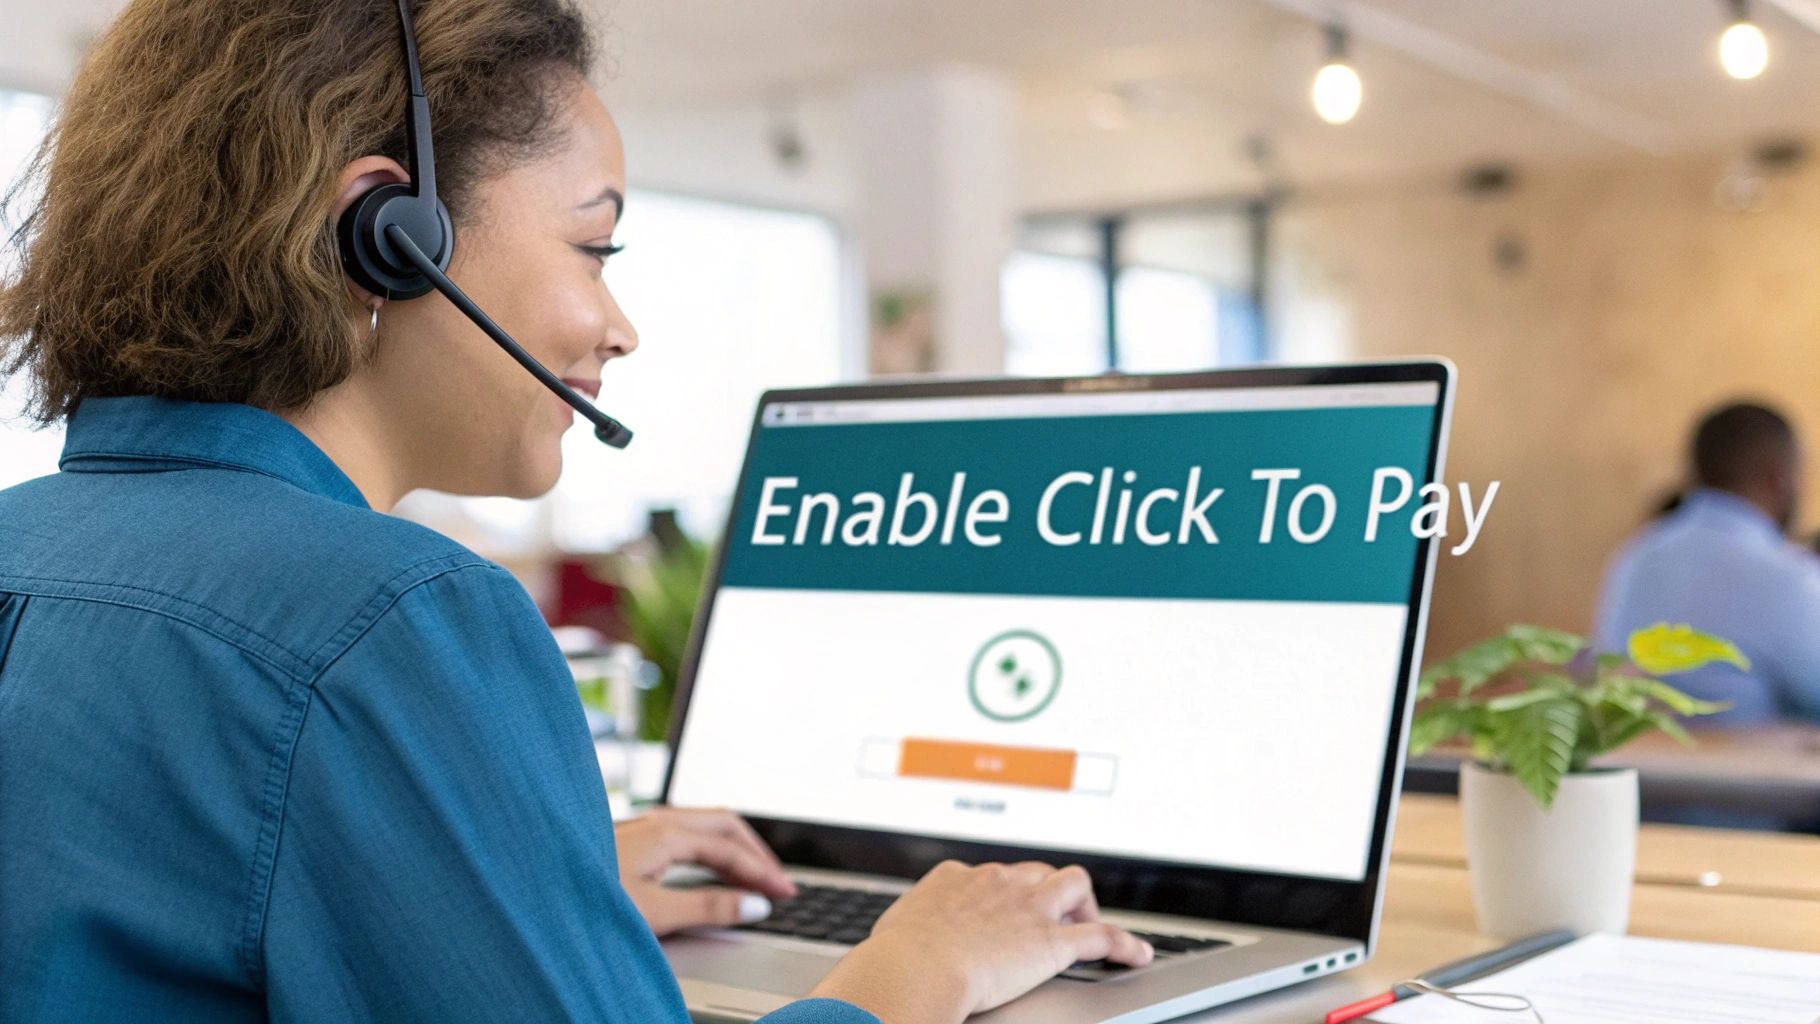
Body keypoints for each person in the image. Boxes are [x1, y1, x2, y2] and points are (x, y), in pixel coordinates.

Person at [0, 1, 1152, 1021]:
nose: (620, 325)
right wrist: (911, 973)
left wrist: (527, 886)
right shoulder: (387, 621)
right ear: (389, 237)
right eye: (591, 247)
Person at [1594, 401, 1820, 725]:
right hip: (1754, 769)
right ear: (1779, 478)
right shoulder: (1788, 578)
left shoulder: (1634, 557)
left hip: (1644, 766)